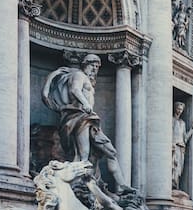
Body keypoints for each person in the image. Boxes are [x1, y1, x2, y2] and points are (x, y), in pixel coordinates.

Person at [42, 54, 132, 194]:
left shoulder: (89, 81)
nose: (94, 70)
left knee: (111, 152)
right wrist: (85, 103)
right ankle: (78, 188)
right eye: (93, 66)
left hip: (90, 119)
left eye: (97, 67)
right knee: (83, 155)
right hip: (79, 117)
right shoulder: (79, 75)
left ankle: (122, 187)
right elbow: (75, 90)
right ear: (85, 64)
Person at [171, 101, 193, 190]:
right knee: (174, 165)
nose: (180, 111)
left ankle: (176, 185)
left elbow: (185, 138)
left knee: (179, 168)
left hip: (181, 148)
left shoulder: (183, 123)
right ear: (175, 108)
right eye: (178, 109)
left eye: (181, 110)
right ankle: (172, 184)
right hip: (174, 146)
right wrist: (172, 143)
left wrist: (192, 129)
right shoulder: (172, 120)